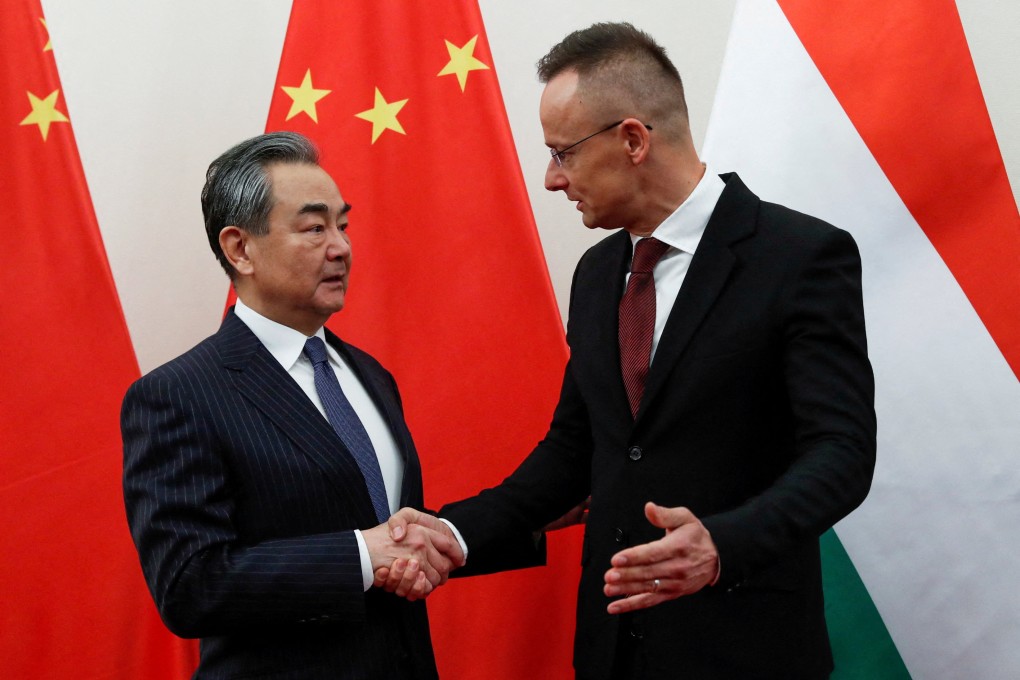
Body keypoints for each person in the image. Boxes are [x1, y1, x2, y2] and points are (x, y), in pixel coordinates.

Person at [382, 22, 877, 680]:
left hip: (746, 648)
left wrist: (724, 544)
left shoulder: (799, 257)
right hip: (614, 653)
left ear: (633, 139)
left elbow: (843, 453)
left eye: (563, 153)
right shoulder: (594, 276)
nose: (552, 179)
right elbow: (573, 452)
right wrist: (454, 532)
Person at [121, 131, 470, 679]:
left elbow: (388, 532)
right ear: (240, 249)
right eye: (314, 228)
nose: (341, 247)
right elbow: (188, 584)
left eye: (343, 225)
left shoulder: (369, 374)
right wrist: (359, 556)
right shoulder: (178, 395)